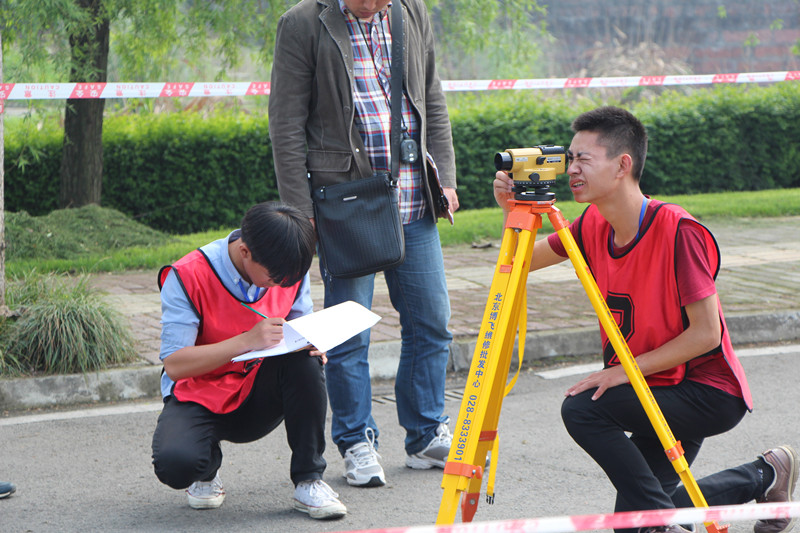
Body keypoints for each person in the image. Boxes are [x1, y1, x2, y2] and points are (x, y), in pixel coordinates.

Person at [493, 106, 798, 533]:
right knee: (636, 522)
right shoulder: (591, 224)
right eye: (570, 158)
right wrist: (512, 211)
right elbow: (518, 262)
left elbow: (707, 334)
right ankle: (765, 475)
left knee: (582, 410)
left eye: (583, 159)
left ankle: (664, 525)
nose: (571, 169)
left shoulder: (678, 230)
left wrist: (624, 372)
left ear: (622, 165)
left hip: (705, 392)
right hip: (653, 384)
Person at [268, 0, 458, 487]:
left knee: (432, 323)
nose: (376, 5)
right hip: (345, 204)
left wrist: (445, 177)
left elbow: (431, 98)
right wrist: (301, 213)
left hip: (414, 197)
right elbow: (286, 126)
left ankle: (425, 433)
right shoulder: (302, 23)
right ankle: (356, 439)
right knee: (348, 332)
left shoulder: (410, 11)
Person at [150, 202, 346, 520]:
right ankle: (206, 469)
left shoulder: (287, 269)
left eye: (290, 279)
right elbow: (175, 364)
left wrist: (313, 344)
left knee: (306, 361)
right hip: (199, 394)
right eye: (275, 278)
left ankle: (309, 480)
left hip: (258, 392)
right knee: (176, 465)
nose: (282, 285)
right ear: (245, 252)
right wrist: (246, 341)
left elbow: (299, 329)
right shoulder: (187, 275)